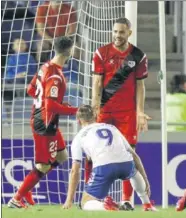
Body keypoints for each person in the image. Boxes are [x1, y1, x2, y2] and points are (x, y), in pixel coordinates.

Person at [8, 36, 78, 208]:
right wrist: (75, 111)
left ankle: (27, 186)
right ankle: (16, 199)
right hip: (44, 124)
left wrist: (51, 104)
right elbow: (50, 105)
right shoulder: (55, 75)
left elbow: (31, 89)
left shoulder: (45, 66)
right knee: (43, 166)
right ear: (69, 51)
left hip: (46, 120)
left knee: (61, 156)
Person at [90, 17, 151, 210]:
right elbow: (97, 82)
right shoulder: (101, 53)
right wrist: (95, 106)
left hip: (127, 113)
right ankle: (96, 197)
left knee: (129, 154)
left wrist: (140, 111)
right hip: (105, 110)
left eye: (121, 32)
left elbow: (140, 86)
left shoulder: (138, 55)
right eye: (115, 31)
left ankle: (126, 200)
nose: (117, 35)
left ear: (129, 33)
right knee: (96, 153)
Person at [62, 105, 156, 211]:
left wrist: (69, 200)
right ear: (96, 116)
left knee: (85, 202)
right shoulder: (111, 127)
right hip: (125, 164)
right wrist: (145, 179)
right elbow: (134, 156)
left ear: (78, 121)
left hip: (103, 168)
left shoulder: (78, 137)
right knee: (134, 173)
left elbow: (75, 170)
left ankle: (106, 206)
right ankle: (147, 204)